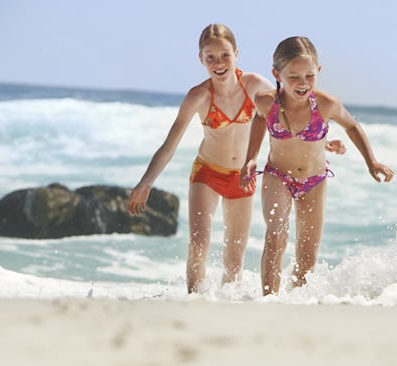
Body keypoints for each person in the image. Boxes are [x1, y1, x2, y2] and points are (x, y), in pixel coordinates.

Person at [127, 24, 345, 293]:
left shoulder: (254, 86)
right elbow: (169, 145)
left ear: (236, 54)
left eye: (225, 56)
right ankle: (195, 301)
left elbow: (293, 111)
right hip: (207, 173)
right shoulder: (199, 96)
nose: (219, 63)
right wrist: (146, 183)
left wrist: (323, 143)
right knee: (198, 244)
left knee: (234, 260)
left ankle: (228, 308)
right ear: (201, 59)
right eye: (211, 57)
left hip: (242, 180)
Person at [240, 36, 394, 296]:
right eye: (294, 77)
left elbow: (352, 126)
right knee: (276, 235)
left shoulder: (325, 104)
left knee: (308, 250)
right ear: (277, 74)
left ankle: (299, 300)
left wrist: (372, 161)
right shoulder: (267, 102)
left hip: (314, 181)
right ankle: (269, 299)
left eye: (309, 76)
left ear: (318, 72)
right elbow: (259, 119)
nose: (302, 84)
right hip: (278, 175)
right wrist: (251, 157)